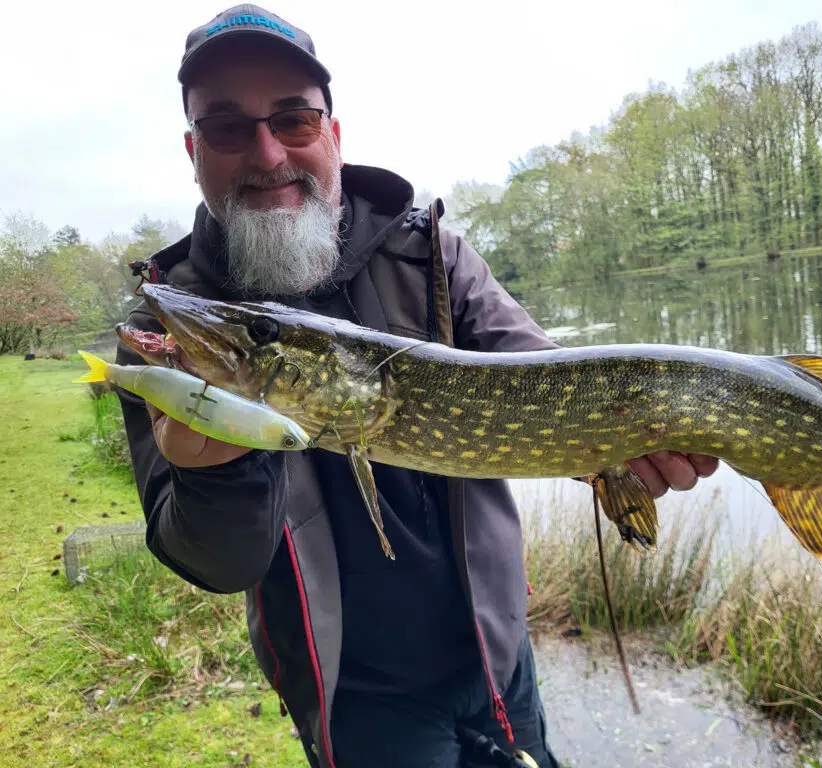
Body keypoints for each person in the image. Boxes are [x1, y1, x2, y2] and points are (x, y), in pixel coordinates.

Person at [114, 6, 720, 767]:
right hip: (354, 698)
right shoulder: (176, 327)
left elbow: (552, 390)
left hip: (497, 656)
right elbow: (214, 565)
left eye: (294, 120)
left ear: (332, 134)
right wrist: (211, 473)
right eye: (230, 128)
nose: (268, 153)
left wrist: (621, 449)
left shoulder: (433, 255)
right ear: (193, 149)